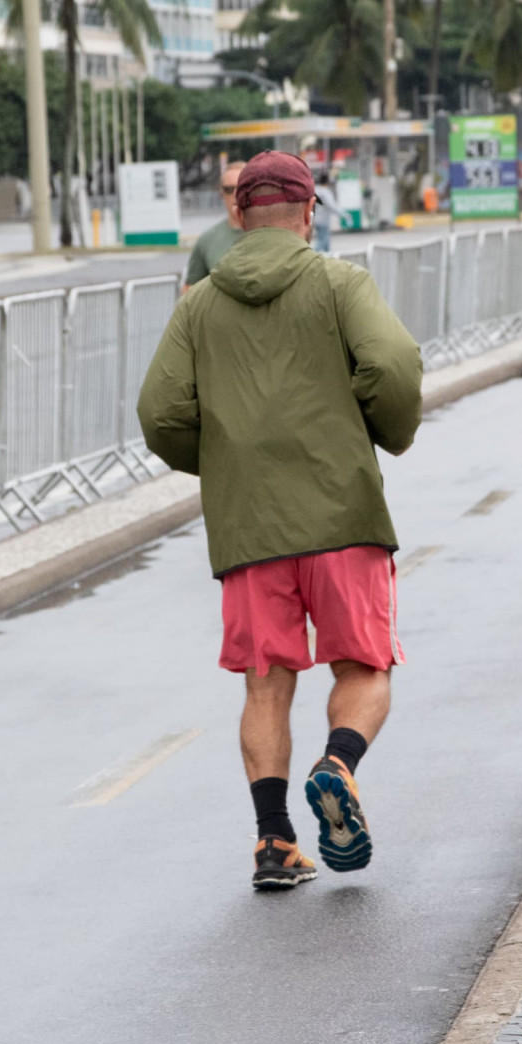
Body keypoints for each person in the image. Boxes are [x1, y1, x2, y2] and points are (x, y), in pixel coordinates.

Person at [137, 150, 423, 892]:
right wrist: (384, 430)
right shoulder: (337, 282)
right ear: (307, 213)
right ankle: (338, 765)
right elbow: (391, 364)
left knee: (265, 684)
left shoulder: (198, 303)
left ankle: (273, 843)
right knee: (363, 667)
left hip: (250, 528)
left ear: (238, 214)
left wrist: (229, 464)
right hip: (341, 512)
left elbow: (159, 414)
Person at [183, 161, 246, 293]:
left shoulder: (270, 233)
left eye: (241, 187)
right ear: (221, 194)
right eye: (229, 189)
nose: (235, 194)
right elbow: (190, 290)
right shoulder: (207, 240)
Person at [311, 167, 339, 255]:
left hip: (315, 219)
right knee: (323, 240)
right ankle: (312, 256)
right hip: (324, 220)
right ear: (327, 182)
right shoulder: (325, 192)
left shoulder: (315, 190)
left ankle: (329, 257)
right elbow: (332, 206)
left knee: (326, 242)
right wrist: (343, 214)